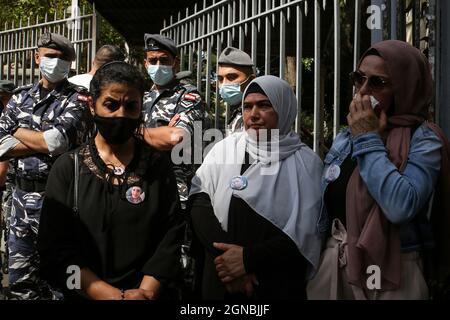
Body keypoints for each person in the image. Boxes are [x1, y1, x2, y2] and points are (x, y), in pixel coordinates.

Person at [307, 40, 450, 300]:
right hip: (337, 265)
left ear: (405, 87)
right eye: (359, 78)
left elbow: (400, 206)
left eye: (377, 83)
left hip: (395, 272)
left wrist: (368, 140)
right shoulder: (345, 136)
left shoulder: (424, 139)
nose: (363, 91)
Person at [38, 61, 185, 300]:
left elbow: (170, 238)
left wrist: (145, 292)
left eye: (131, 106)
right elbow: (55, 250)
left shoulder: (158, 167)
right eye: (111, 105)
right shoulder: (68, 169)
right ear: (93, 107)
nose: (121, 114)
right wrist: (109, 295)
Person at [189, 75, 323, 300]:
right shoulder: (225, 149)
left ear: (284, 108)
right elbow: (199, 202)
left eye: (264, 105)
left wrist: (247, 260)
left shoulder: (306, 163)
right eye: (248, 106)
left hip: (274, 281)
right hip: (221, 276)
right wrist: (228, 262)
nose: (253, 115)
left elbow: (307, 231)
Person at [0, 32, 89, 300]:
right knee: (20, 284)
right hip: (19, 203)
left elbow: (57, 141)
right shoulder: (19, 97)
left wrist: (15, 129)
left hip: (59, 202)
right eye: (50, 56)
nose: (55, 62)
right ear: (36, 57)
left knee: (62, 284)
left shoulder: (78, 99)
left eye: (63, 59)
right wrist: (40, 140)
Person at [142, 33, 204, 208]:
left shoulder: (188, 96)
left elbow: (175, 138)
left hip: (174, 191)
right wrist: (159, 133)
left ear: (175, 63)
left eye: (164, 60)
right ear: (145, 64)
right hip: (141, 186)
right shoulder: (142, 97)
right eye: (153, 61)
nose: (158, 65)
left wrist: (133, 131)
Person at [217, 47, 256, 134]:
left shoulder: (260, 115)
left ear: (251, 80)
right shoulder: (238, 112)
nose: (224, 84)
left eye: (231, 77)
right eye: (220, 79)